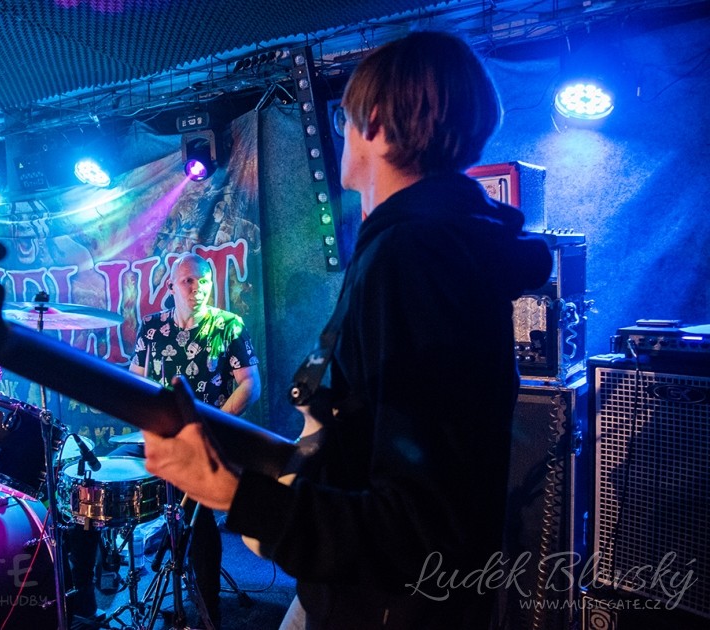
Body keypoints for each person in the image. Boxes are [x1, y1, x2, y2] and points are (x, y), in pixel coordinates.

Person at [141, 31, 553, 630]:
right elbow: (370, 448)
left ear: (377, 122)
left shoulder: (413, 258)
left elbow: (415, 528)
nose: (340, 135)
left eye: (344, 119)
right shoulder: (426, 247)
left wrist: (234, 494)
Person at [68, 252, 261, 629]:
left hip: (202, 440)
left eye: (204, 281)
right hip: (156, 436)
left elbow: (250, 385)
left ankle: (208, 614)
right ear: (171, 286)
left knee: (197, 515)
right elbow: (136, 380)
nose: (197, 288)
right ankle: (85, 603)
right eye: (188, 281)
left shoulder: (229, 325)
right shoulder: (153, 327)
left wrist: (211, 425)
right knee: (91, 487)